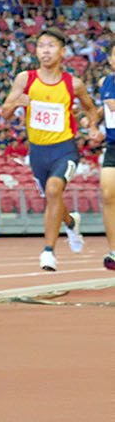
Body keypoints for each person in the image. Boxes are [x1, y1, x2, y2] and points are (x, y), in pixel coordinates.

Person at [0, 28, 99, 272]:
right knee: (52, 197)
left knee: (54, 190)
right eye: (41, 45)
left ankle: (48, 252)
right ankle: (71, 222)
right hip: (37, 151)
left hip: (64, 148)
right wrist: (15, 103)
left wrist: (92, 125)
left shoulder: (73, 84)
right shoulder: (25, 79)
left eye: (51, 45)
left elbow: (90, 109)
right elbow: (4, 112)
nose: (45, 50)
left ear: (62, 51)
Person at [98, 41, 115, 273]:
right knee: (108, 194)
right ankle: (114, 251)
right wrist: (92, 123)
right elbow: (103, 112)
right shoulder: (105, 83)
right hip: (113, 145)